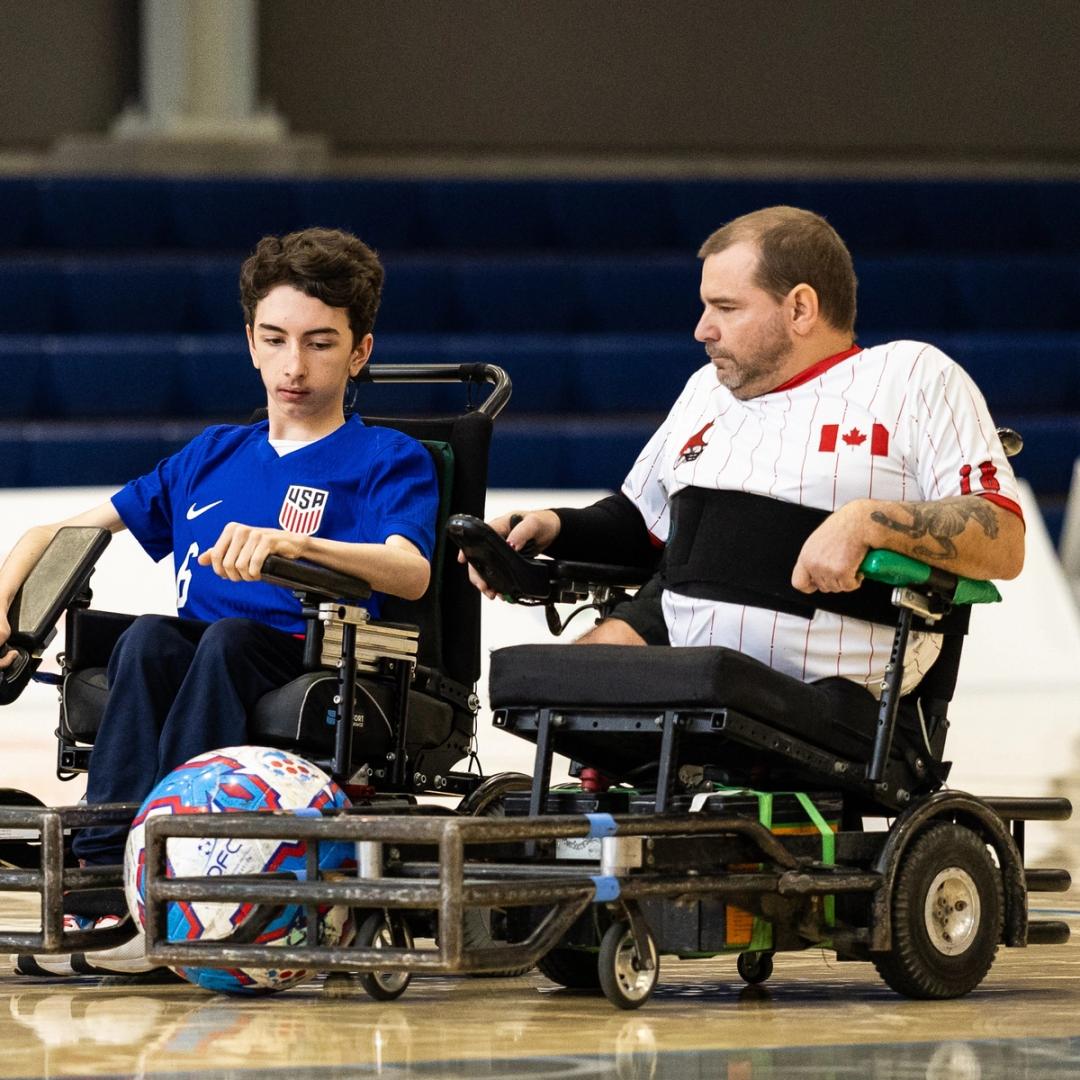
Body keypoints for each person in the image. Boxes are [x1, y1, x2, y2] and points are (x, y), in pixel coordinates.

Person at [0, 227, 439, 976]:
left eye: (321, 343)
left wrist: (294, 546)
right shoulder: (212, 454)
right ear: (250, 341)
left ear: (359, 352)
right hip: (204, 649)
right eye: (275, 339)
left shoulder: (387, 457)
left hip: (310, 657)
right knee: (144, 639)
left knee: (228, 637)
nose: (293, 366)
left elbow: (410, 572)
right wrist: (6, 598)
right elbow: (61, 527)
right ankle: (104, 876)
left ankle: (170, 867)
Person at [468, 205, 1023, 703]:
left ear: (801, 308)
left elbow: (1002, 535)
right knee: (540, 690)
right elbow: (646, 525)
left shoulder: (911, 376)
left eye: (725, 308)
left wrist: (868, 521)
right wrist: (547, 526)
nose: (701, 329)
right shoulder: (706, 390)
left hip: (832, 689)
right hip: (688, 661)